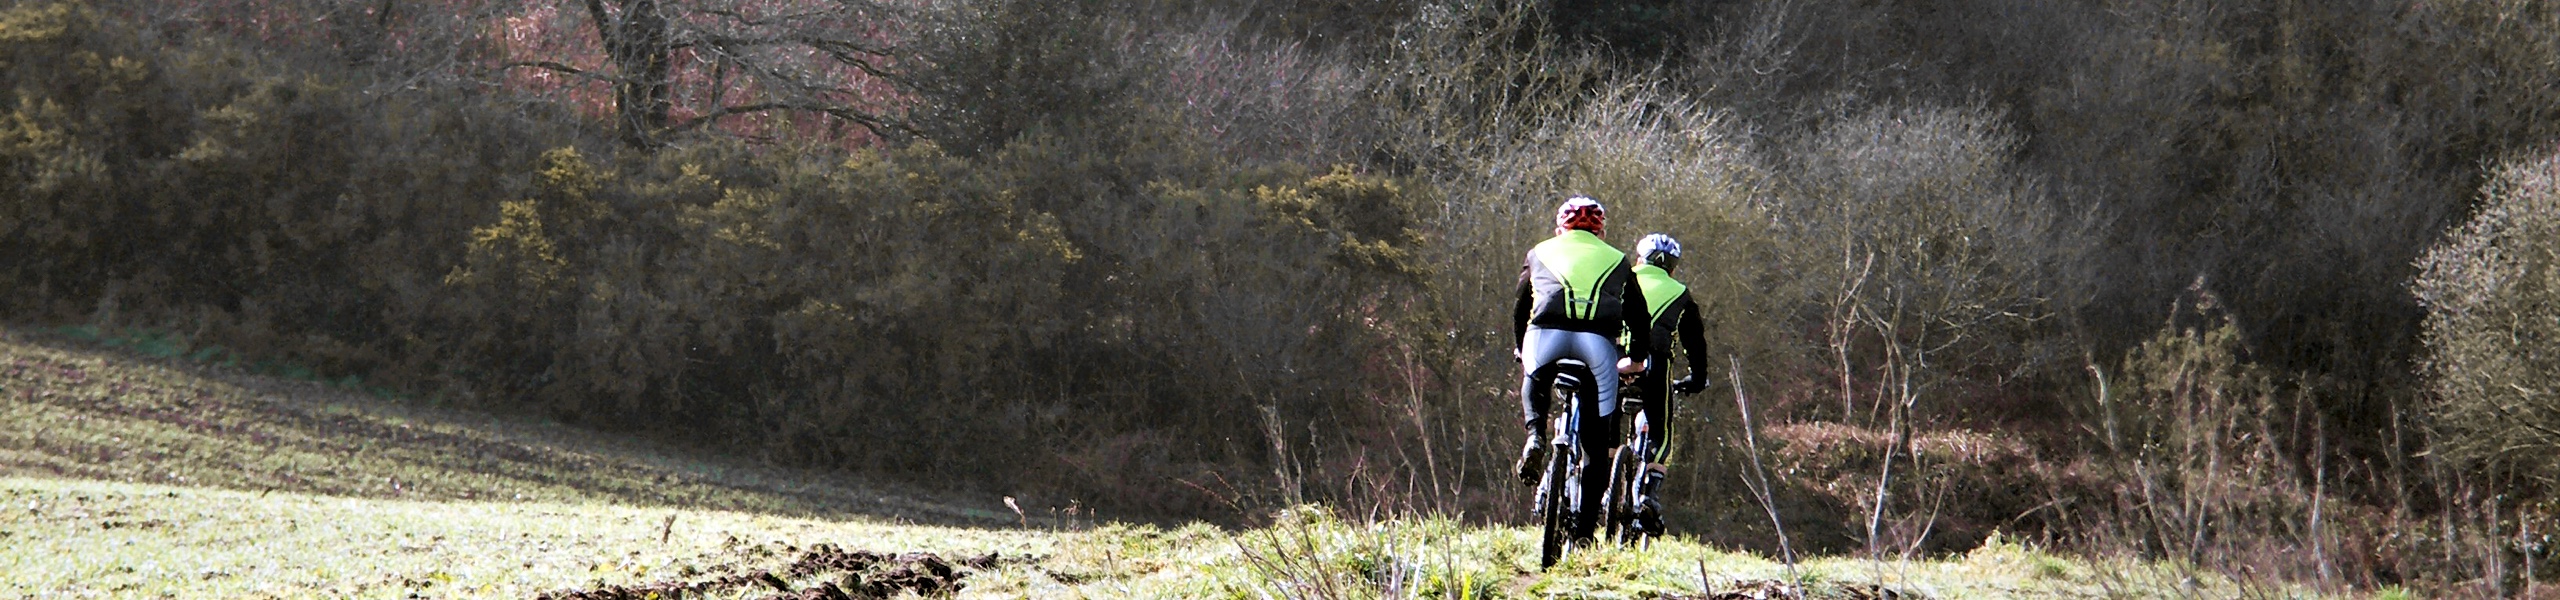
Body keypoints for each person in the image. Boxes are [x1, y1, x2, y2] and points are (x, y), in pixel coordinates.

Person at [1511, 196, 1653, 542]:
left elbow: (1520, 306)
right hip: (1597, 346)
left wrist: (1520, 346)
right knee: (1595, 445)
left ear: (1561, 228)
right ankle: (1586, 534)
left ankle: (1535, 437)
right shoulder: (1618, 260)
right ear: (1600, 230)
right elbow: (1639, 316)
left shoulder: (1539, 251)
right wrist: (1634, 358)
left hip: (1546, 336)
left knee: (1535, 376)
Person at [1621, 233, 1711, 534]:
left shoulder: (1621, 278)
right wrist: (1697, 379)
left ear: (1639, 259)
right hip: (1656, 364)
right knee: (1661, 430)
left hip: (1615, 358)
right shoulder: (1680, 293)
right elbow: (1694, 343)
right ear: (1672, 269)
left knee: (1602, 421)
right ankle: (1649, 493)